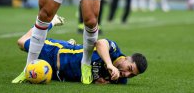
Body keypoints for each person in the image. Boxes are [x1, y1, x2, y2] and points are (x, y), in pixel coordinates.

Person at [15, 16, 148, 84]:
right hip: (57, 53)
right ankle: (51, 22)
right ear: (126, 58)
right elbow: (100, 43)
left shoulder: (120, 80)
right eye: (129, 69)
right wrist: (109, 64)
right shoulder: (114, 51)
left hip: (58, 75)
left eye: (132, 75)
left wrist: (100, 81)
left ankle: (73, 43)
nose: (126, 74)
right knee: (21, 42)